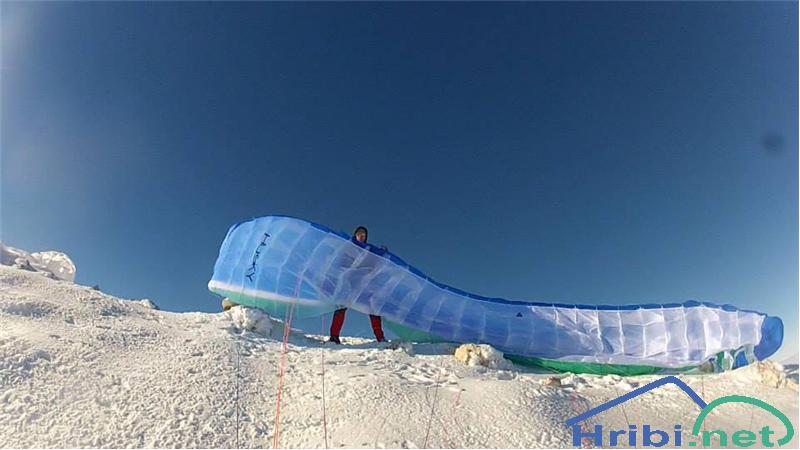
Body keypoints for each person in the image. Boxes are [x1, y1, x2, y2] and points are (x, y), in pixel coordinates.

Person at [328, 225, 386, 344]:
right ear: (355, 235)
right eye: (359, 233)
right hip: (349, 282)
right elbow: (340, 261)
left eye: (364, 234)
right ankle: (334, 337)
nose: (362, 235)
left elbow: (377, 257)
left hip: (363, 284)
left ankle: (380, 338)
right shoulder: (349, 246)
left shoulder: (369, 249)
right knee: (341, 306)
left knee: (373, 308)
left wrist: (383, 252)